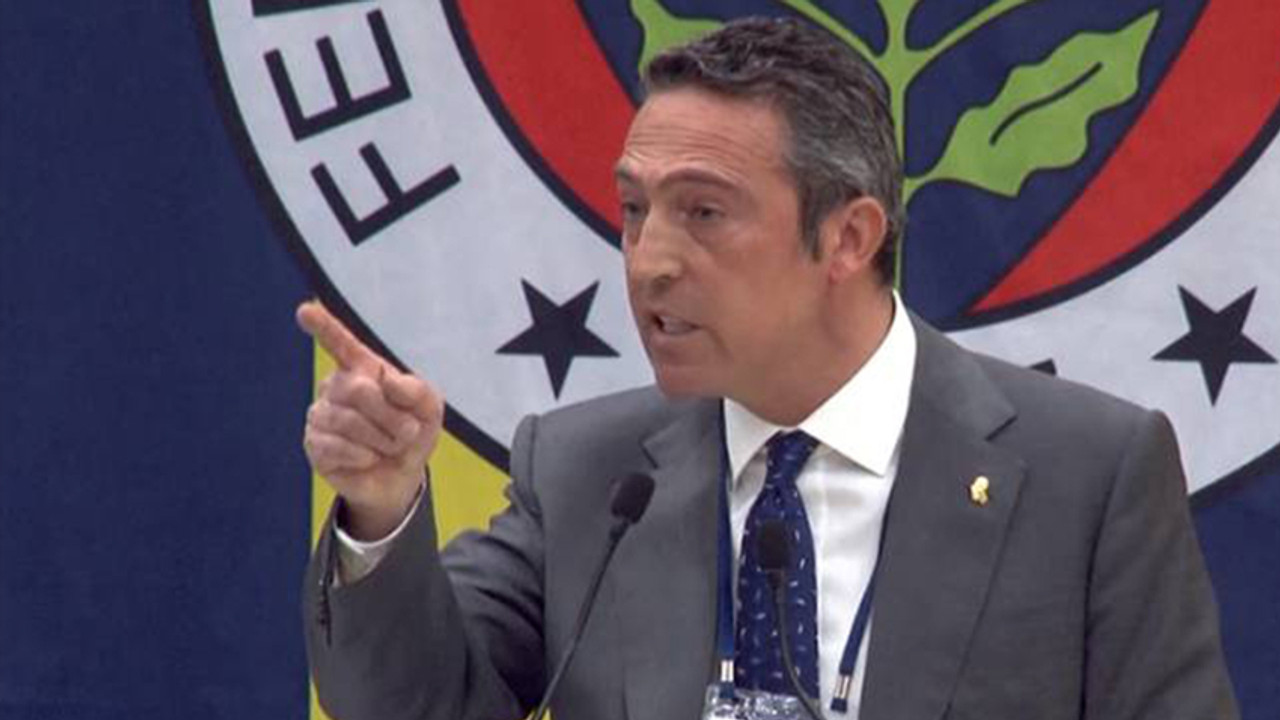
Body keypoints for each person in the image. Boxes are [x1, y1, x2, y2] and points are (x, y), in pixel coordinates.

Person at [298, 17, 1238, 720]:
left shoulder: (1086, 476)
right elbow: (409, 704)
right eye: (635, 211)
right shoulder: (591, 473)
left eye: (703, 213)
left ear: (849, 236)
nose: (648, 262)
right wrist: (381, 508)